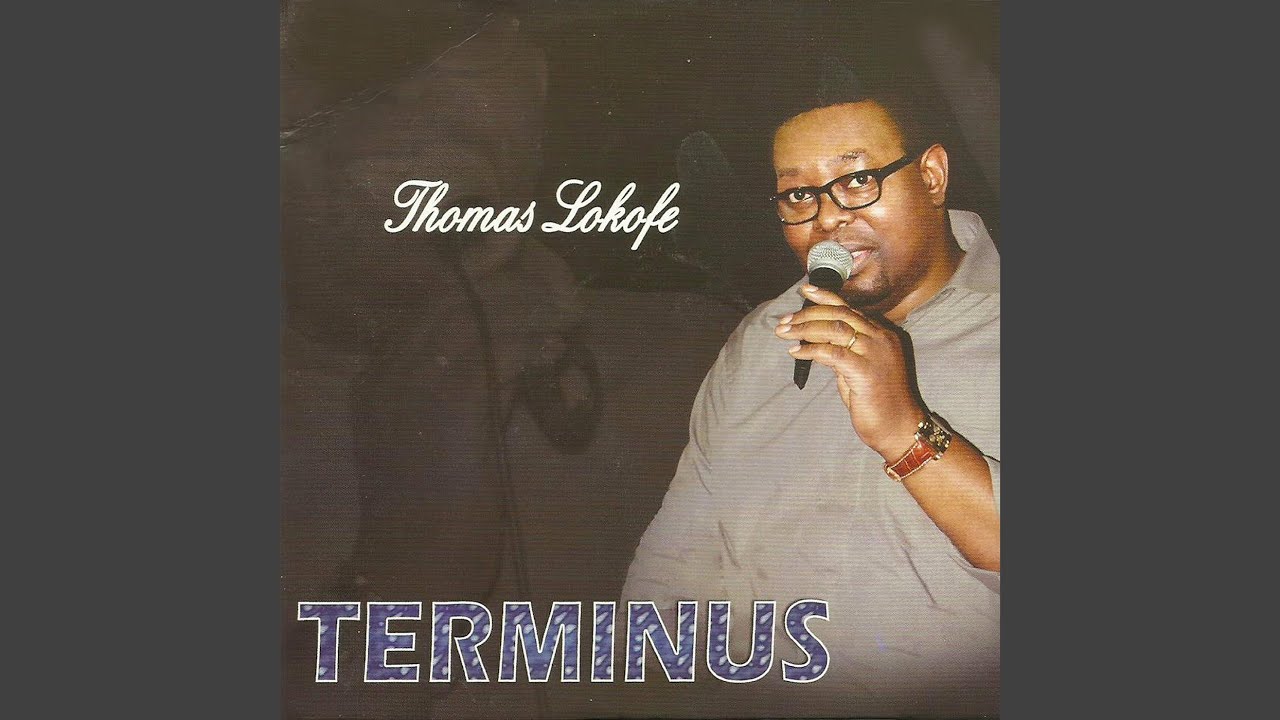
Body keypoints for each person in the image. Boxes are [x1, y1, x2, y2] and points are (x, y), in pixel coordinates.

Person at [622, 73, 1001, 718]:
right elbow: (674, 562)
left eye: (857, 180)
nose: (827, 218)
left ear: (932, 176)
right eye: (799, 195)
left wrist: (905, 432)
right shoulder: (759, 341)